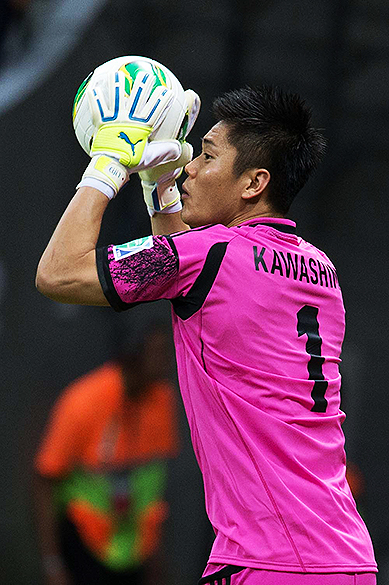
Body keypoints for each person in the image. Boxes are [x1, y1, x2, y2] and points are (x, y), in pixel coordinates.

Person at [36, 71, 377, 584]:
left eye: (207, 155)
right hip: (345, 557)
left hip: (269, 561)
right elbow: (186, 280)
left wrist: (108, 164)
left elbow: (57, 272)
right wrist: (161, 191)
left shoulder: (211, 254)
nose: (189, 167)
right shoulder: (322, 272)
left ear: (254, 183)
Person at [33, 324, 179, 585]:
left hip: (136, 549)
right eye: (157, 352)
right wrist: (52, 564)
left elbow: (154, 485)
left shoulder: (163, 400)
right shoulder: (83, 400)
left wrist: (156, 559)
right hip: (84, 545)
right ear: (133, 354)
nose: (166, 361)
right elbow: (46, 479)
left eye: (167, 351)